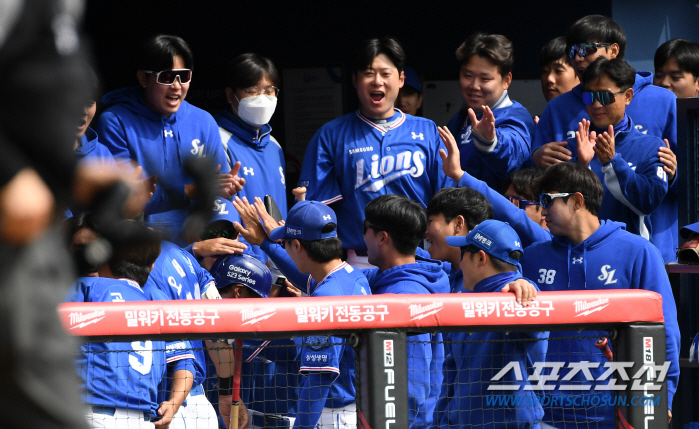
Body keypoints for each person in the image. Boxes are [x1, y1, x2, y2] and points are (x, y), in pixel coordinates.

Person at [518, 162, 679, 428]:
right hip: (543, 414)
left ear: (577, 201)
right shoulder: (533, 257)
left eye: (548, 200)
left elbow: (665, 332)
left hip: (614, 413)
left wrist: (665, 397)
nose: (542, 211)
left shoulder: (638, 252)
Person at [531, 14, 678, 263]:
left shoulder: (661, 99)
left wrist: (673, 174)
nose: (578, 57)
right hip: (575, 249)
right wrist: (536, 157)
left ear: (613, 50)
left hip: (649, 243)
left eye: (586, 49)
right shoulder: (557, 108)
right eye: (572, 50)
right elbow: (534, 181)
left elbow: (684, 175)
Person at [298, 36, 451, 268]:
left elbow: (446, 201)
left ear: (400, 79)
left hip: (418, 258)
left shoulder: (428, 131)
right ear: (355, 79)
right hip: (358, 261)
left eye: (385, 73)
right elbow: (318, 211)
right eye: (369, 73)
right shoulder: (331, 135)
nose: (377, 81)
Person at [233, 198, 369, 429]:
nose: (284, 246)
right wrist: (266, 243)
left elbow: (319, 381)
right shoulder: (351, 276)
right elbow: (304, 277)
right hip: (353, 408)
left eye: (286, 242)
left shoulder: (326, 298)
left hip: (333, 415)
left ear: (297, 246)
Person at [95, 34, 240, 243]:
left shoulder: (204, 121)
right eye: (166, 77)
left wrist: (226, 189)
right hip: (139, 251)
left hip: (200, 251)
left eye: (184, 75)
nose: (176, 85)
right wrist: (187, 192)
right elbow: (123, 201)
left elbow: (219, 197)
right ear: (143, 78)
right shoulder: (115, 122)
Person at [74, 225, 197, 428]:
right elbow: (185, 362)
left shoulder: (88, 288)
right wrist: (173, 404)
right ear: (151, 268)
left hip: (93, 414)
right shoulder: (159, 306)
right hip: (143, 420)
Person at [438, 220, 548, 428]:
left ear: (481, 257)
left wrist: (525, 285)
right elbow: (451, 375)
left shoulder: (521, 296)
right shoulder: (466, 301)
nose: (460, 264)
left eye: (463, 255)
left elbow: (534, 331)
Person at [360, 194, 449, 429]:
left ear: (381, 237)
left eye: (365, 228)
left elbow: (413, 385)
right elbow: (335, 277)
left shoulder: (403, 298)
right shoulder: (413, 273)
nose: (362, 236)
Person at [573, 57, 668, 247]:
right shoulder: (575, 143)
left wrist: (612, 162)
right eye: (589, 97)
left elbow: (647, 201)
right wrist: (581, 167)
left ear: (628, 96)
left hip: (629, 255)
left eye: (605, 97)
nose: (597, 105)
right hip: (582, 253)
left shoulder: (651, 146)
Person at [209, 253, 300, 428]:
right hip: (214, 411)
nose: (261, 306)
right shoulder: (237, 319)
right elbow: (292, 351)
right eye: (259, 298)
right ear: (239, 291)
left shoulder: (198, 303)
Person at [215, 53, 287, 262]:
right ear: (230, 95)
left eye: (269, 90)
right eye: (252, 91)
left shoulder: (274, 145)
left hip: (280, 263)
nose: (262, 98)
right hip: (240, 266)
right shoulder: (218, 140)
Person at [446, 32, 535, 192]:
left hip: (493, 215)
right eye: (467, 75)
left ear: (506, 80)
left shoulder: (516, 117)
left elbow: (513, 154)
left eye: (485, 79)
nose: (474, 85)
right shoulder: (459, 119)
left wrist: (491, 142)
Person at [540, 36, 580, 102]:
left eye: (558, 71)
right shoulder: (548, 112)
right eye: (545, 71)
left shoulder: (594, 111)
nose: (549, 79)